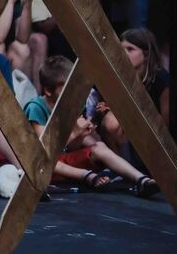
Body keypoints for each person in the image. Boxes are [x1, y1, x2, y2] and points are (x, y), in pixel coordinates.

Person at [25, 56, 160, 196]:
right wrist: (74, 133)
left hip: (65, 160)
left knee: (99, 146)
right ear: (48, 90)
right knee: (47, 161)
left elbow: (72, 148)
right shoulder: (36, 108)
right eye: (67, 88)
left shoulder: (73, 104)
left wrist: (82, 134)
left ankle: (142, 180)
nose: (73, 91)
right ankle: (88, 176)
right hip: (45, 165)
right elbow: (45, 153)